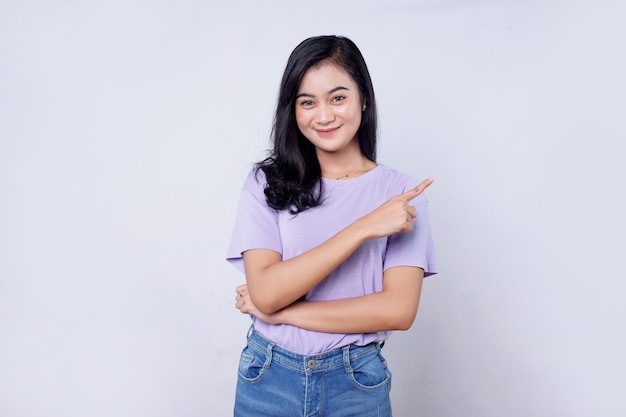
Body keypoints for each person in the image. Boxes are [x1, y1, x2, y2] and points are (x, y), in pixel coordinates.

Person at [226, 35, 437, 417]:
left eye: (338, 97)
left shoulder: (402, 194)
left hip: (355, 381)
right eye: (308, 102)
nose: (324, 116)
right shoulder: (267, 183)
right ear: (293, 110)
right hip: (268, 375)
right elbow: (268, 291)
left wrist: (283, 312)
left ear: (363, 99)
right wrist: (363, 227)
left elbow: (398, 311)